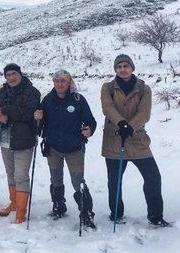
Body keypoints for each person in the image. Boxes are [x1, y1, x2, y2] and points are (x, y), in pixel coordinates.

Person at [101, 54, 169, 227]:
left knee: (153, 177)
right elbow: (107, 108)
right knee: (114, 181)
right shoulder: (107, 88)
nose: (123, 69)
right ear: (115, 69)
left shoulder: (144, 88)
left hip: (137, 139)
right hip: (114, 141)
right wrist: (121, 123)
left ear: (132, 68)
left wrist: (130, 126)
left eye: (126, 66)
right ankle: (116, 214)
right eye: (119, 66)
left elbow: (145, 112)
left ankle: (155, 216)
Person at [34, 70, 97, 228]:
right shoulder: (47, 100)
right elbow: (40, 126)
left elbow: (90, 120)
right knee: (56, 180)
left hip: (74, 148)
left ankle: (86, 212)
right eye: (56, 81)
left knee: (78, 182)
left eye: (63, 81)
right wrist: (38, 119)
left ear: (69, 82)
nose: (59, 84)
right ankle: (58, 205)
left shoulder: (78, 99)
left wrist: (89, 129)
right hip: (53, 147)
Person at [0, 63, 41, 224]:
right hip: (5, 138)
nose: (11, 77)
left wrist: (5, 111)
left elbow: (27, 114)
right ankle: (14, 202)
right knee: (11, 173)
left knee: (21, 176)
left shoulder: (32, 92)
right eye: (8, 75)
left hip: (24, 139)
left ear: (20, 74)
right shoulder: (3, 90)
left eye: (14, 74)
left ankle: (21, 210)